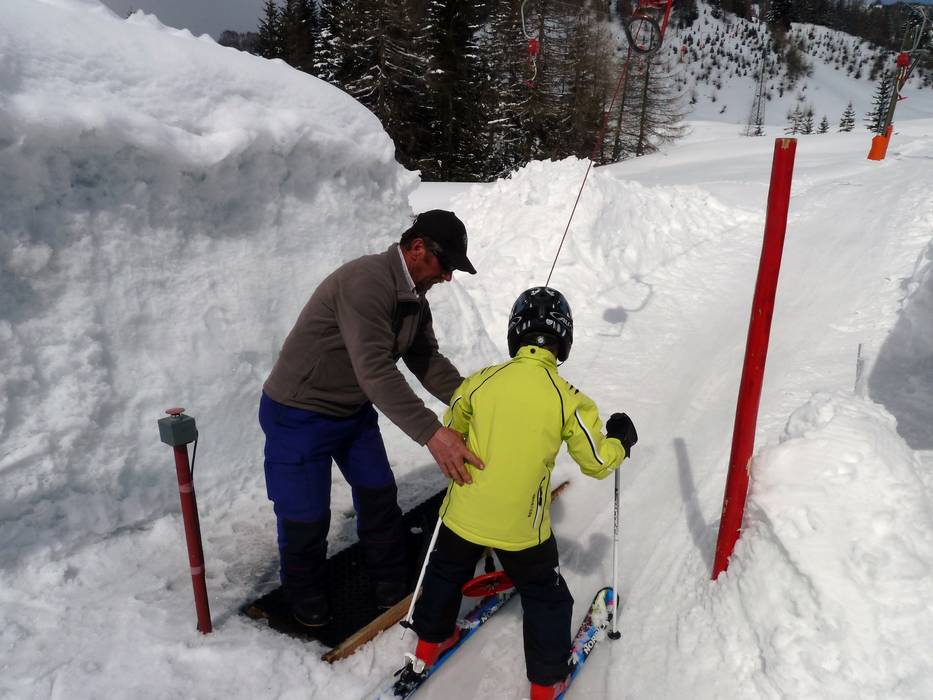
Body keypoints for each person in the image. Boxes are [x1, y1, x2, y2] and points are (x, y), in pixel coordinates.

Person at [407, 286, 638, 700]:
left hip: (463, 512)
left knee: (445, 572)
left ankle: (429, 642)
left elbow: (453, 428)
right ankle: (546, 682)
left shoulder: (481, 380)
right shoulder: (568, 399)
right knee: (545, 595)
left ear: (516, 333)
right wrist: (620, 440)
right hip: (521, 529)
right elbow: (598, 463)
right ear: (564, 339)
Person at [259, 210, 485, 628]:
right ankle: (302, 589)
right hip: (299, 411)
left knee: (378, 492)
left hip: (352, 411)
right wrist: (433, 433)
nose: (448, 276)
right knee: (307, 515)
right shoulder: (367, 282)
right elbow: (376, 370)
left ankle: (388, 576)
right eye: (445, 264)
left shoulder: (414, 297)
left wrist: (477, 401)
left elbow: (426, 359)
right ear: (417, 248)